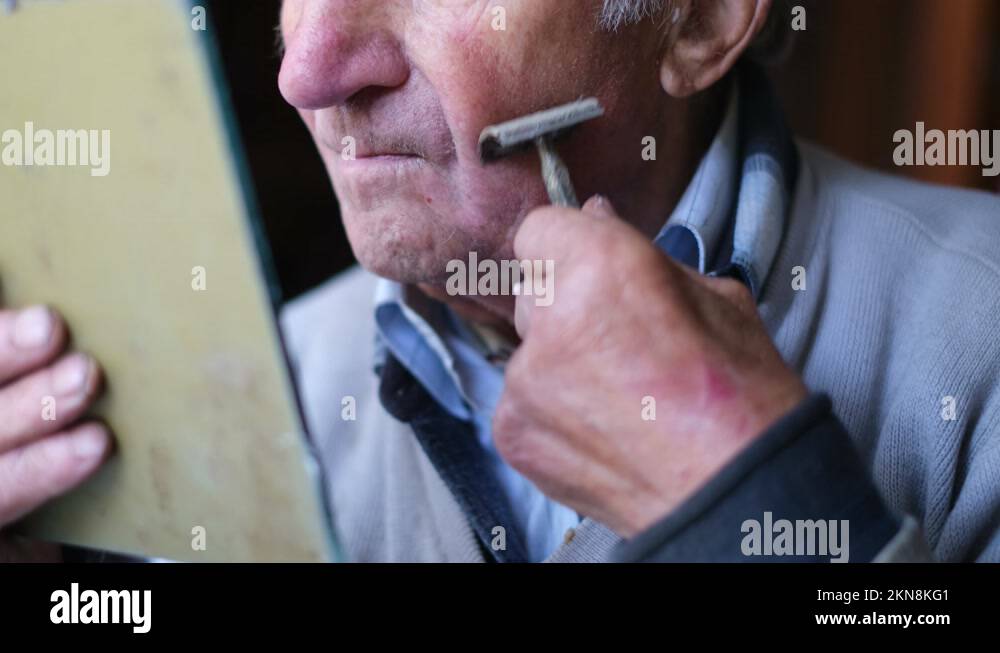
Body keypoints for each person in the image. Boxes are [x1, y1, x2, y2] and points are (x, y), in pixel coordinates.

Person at [2, 0, 999, 562]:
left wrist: (749, 499)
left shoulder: (979, 352)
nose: (307, 71)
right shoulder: (272, 394)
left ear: (698, 21)